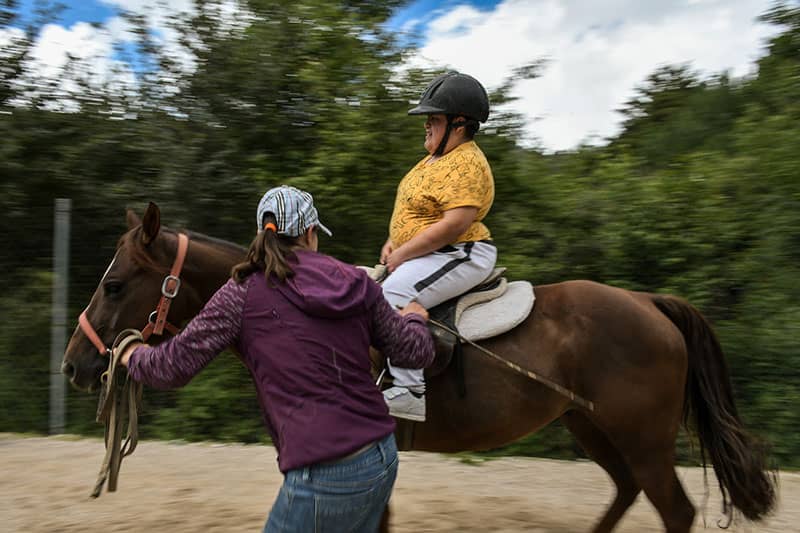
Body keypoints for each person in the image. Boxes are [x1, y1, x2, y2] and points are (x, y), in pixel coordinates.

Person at [118, 185, 435, 532]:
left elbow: (171, 367)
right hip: (382, 458)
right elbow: (415, 351)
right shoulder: (357, 281)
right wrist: (416, 317)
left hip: (324, 474)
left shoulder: (240, 294)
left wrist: (131, 354)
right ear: (311, 234)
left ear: (261, 233)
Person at [380, 72, 496, 422]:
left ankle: (410, 389)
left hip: (461, 252)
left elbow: (455, 224)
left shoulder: (467, 162)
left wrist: (402, 252)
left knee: (392, 293)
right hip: (432, 253)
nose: (426, 126)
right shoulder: (434, 159)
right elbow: (417, 212)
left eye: (433, 119)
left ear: (459, 124)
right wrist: (393, 240)